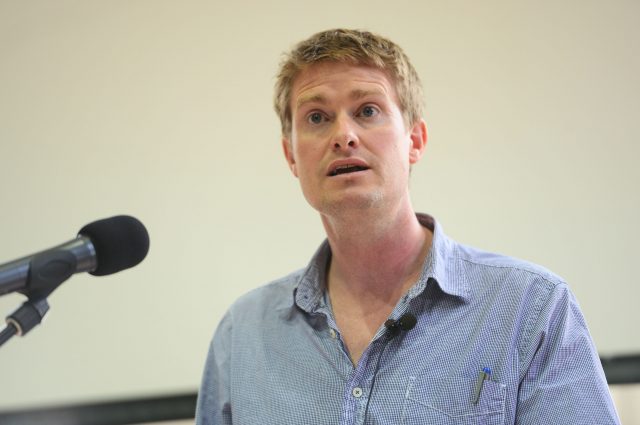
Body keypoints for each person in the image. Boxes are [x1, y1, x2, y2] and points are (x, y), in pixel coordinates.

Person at [195, 29, 620, 424]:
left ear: (414, 141)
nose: (343, 135)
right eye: (317, 118)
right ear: (291, 156)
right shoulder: (243, 335)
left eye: (367, 110)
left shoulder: (531, 308)